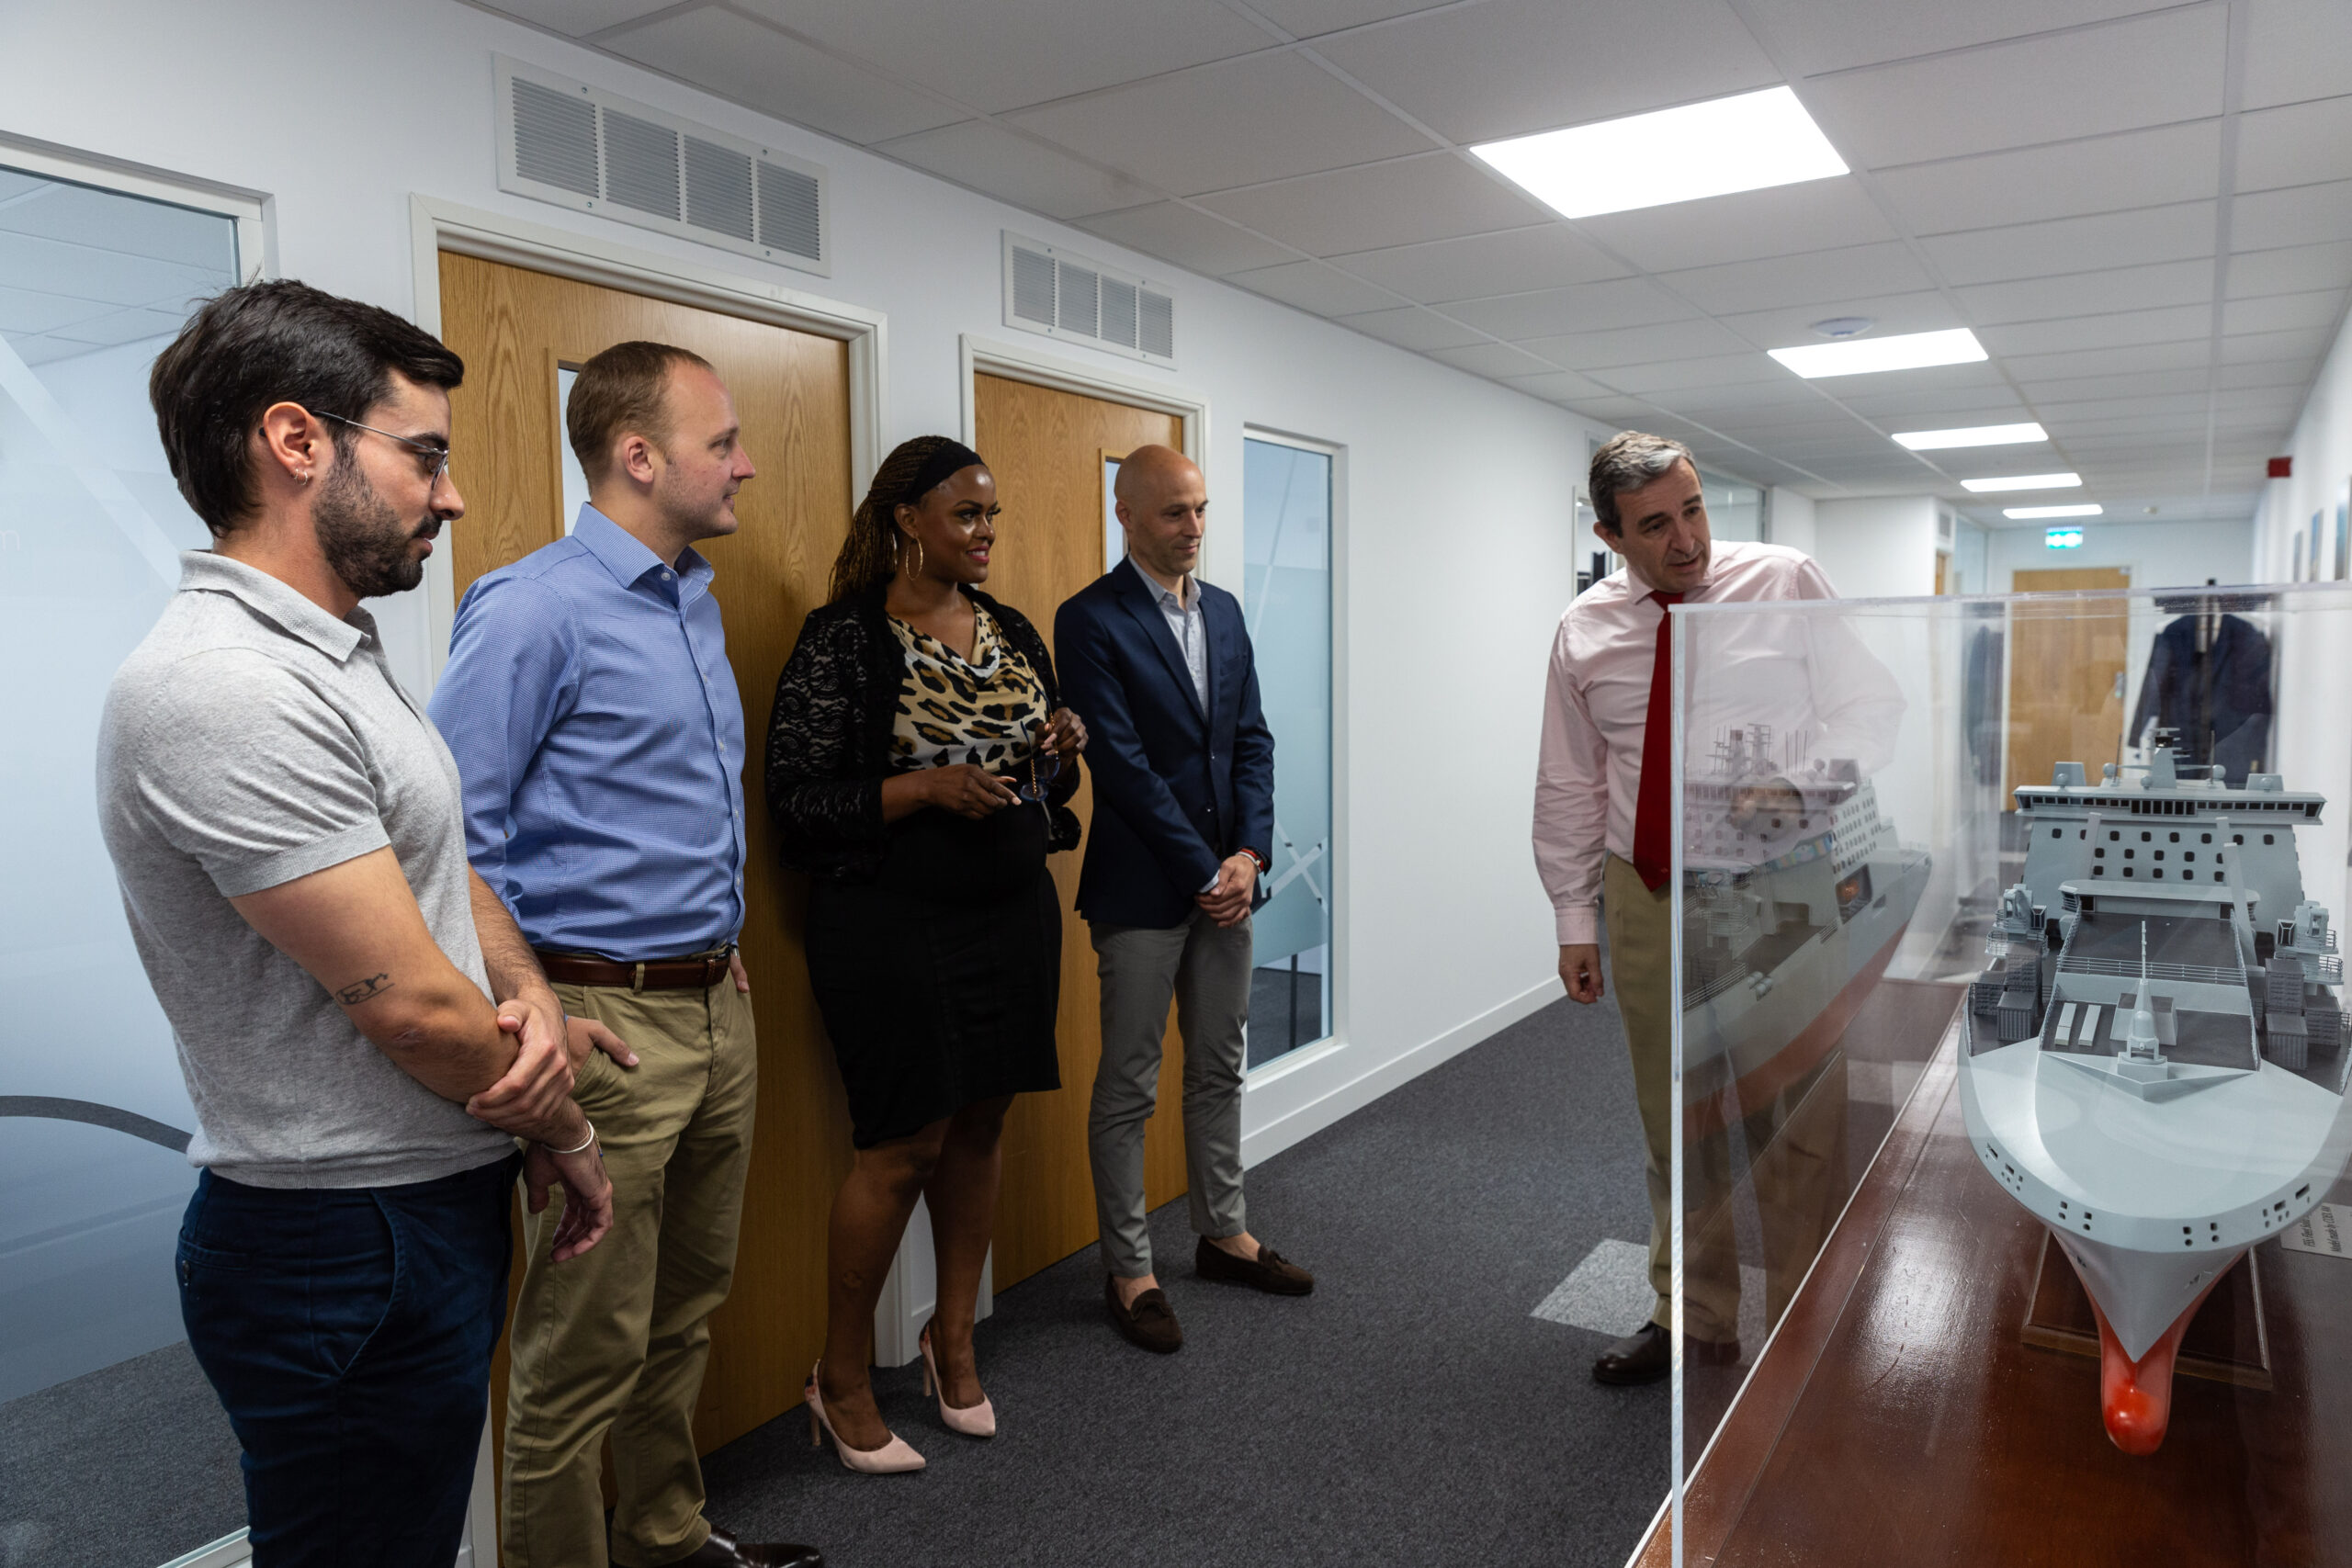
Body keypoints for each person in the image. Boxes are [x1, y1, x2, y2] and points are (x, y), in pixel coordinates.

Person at [98, 279, 613, 1567]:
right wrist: (565, 1124)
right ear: (296, 442)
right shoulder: (224, 685)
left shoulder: (338, 650)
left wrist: (537, 1000)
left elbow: (450, 870)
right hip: (335, 1238)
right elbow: (412, 1007)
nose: (449, 494)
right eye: (423, 454)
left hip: (416, 1202)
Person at [430, 343, 817, 1568]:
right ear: (638, 456)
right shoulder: (532, 604)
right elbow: (449, 839)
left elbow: (671, 803)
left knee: (687, 1309)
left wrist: (716, 938)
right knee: (581, 1345)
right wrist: (534, 998)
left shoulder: (690, 592)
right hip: (602, 1019)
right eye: (724, 441)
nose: (747, 462)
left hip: (713, 1000)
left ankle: (662, 1533)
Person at [1533, 430, 1899, 1386]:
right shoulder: (1584, 629)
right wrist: (1575, 918)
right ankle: (1690, 1315)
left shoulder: (1784, 581)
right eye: (1655, 525)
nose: (1686, 539)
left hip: (1779, 887)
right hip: (1646, 893)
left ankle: (1808, 1320)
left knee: (1797, 1115)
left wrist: (1802, 784)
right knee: (1677, 1119)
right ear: (1611, 535)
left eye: (1693, 509)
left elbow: (1872, 705)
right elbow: (1570, 781)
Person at [766, 434, 1087, 1470]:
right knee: (900, 1143)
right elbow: (797, 804)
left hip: (1009, 912)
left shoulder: (1012, 631)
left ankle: (952, 1336)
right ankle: (842, 1377)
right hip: (889, 923)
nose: (986, 533)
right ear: (907, 517)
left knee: (982, 1124)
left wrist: (1054, 755)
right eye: (966, 515)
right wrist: (920, 790)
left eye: (992, 516)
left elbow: (1050, 798)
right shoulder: (844, 639)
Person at [1055, 443, 1309, 1356]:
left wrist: (1247, 854)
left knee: (1216, 1067)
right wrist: (1206, 872)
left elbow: (1251, 741)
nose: (1193, 528)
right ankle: (1130, 1271)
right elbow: (1118, 766)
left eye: (1200, 510)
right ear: (1126, 513)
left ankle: (1223, 1235)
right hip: (1141, 892)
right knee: (1128, 1083)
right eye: (1173, 513)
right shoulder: (1089, 619)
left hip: (1225, 888)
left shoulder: (1228, 613)